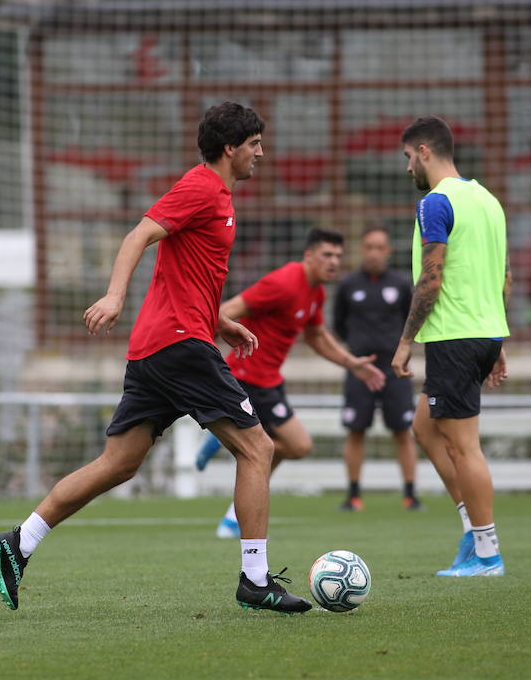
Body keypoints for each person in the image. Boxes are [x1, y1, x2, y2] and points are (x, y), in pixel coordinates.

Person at [0, 102, 310, 613]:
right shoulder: (202, 186)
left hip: (163, 345)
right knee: (258, 450)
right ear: (230, 148)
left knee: (118, 464)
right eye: (254, 144)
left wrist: (219, 322)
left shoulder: (218, 195)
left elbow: (186, 273)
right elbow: (139, 234)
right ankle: (254, 580)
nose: (261, 154)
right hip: (180, 346)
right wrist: (115, 297)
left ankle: (17, 543)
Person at [194, 228, 386, 537]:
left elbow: (317, 337)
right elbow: (227, 310)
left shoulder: (316, 291)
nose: (334, 261)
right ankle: (232, 517)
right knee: (291, 446)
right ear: (309, 256)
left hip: (269, 382)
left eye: (338, 255)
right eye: (327, 254)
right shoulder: (283, 282)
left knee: (287, 448)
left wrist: (352, 364)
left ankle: (231, 507)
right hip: (245, 378)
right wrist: (201, 351)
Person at [390, 116, 511, 577]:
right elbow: (502, 277)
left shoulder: (434, 203)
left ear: (423, 150)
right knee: (423, 426)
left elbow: (431, 278)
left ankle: (487, 554)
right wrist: (496, 340)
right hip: (480, 333)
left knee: (465, 448)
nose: (407, 169)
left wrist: (405, 343)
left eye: (406, 157)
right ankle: (471, 528)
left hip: (454, 337)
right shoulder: (488, 201)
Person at [332, 225, 420, 512]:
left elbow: (411, 320)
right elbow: (339, 325)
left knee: (402, 430)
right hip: (360, 367)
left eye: (379, 247)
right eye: (368, 247)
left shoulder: (401, 284)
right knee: (356, 429)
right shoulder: (348, 285)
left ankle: (410, 494)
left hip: (394, 367)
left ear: (388, 251)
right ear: (362, 249)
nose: (373, 253)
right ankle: (353, 495)